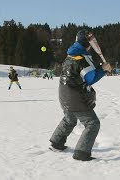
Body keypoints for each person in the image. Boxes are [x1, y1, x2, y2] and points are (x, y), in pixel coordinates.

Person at [49, 29, 112, 161]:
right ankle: (81, 153)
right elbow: (90, 78)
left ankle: (56, 143)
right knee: (92, 123)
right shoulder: (81, 58)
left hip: (63, 93)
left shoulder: (71, 54)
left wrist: (100, 68)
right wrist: (103, 69)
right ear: (87, 44)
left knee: (70, 118)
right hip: (75, 96)